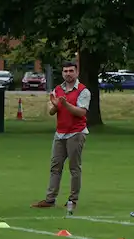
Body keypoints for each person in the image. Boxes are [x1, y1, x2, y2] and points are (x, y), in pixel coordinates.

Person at [30, 61, 90, 214]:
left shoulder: (83, 91)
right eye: (65, 71)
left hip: (76, 133)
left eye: (71, 71)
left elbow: (81, 112)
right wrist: (56, 106)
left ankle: (72, 200)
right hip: (60, 133)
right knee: (55, 167)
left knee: (74, 168)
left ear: (76, 72)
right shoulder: (58, 89)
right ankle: (50, 199)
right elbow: (51, 111)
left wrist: (66, 104)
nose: (68, 74)